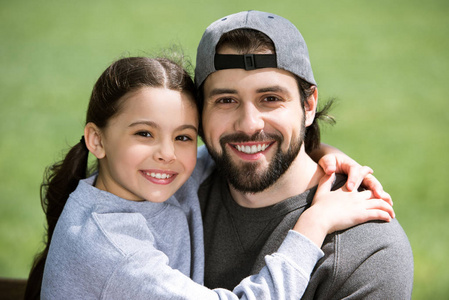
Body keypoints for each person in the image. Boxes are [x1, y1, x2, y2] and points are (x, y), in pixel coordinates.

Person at [24, 56, 394, 299]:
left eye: (183, 136)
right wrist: (314, 223)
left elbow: (248, 149)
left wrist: (324, 156)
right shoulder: (114, 250)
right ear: (97, 139)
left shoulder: (158, 177)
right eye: (144, 134)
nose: (167, 154)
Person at [194, 10, 414, 299]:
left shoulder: (366, 248)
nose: (249, 124)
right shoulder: (165, 195)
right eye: (226, 100)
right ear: (198, 112)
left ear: (308, 105)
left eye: (270, 99)